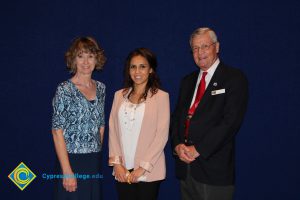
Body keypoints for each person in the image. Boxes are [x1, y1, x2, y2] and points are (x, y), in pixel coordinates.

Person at [171, 27, 248, 200]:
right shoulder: (187, 81)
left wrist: (198, 149)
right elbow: (176, 118)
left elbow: (231, 122)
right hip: (186, 170)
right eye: (195, 48)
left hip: (214, 171)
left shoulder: (234, 78)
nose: (200, 52)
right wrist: (177, 146)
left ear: (217, 47)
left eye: (205, 46)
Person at [108, 48, 170, 200]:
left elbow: (161, 135)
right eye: (133, 66)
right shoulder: (119, 95)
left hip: (148, 171)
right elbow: (113, 130)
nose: (137, 71)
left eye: (142, 66)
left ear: (151, 70)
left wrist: (142, 168)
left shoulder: (161, 97)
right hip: (122, 170)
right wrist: (117, 164)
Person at [52, 36, 106, 200]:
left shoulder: (101, 88)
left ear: (97, 59)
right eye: (80, 56)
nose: (85, 62)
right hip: (71, 160)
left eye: (90, 56)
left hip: (93, 161)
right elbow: (57, 131)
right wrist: (67, 171)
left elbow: (101, 125)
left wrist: (96, 155)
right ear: (73, 59)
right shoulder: (64, 89)